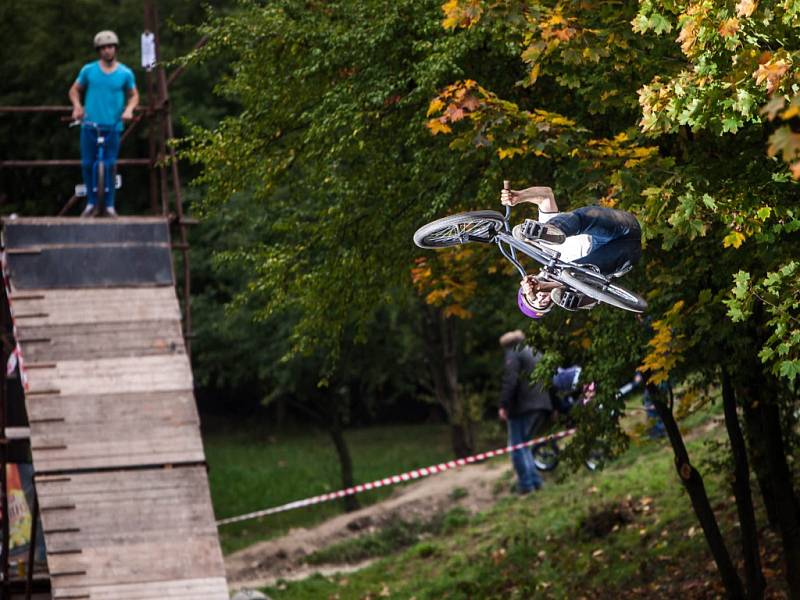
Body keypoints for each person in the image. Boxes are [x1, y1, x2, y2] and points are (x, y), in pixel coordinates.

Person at [501, 186, 642, 318]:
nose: (541, 297)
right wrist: (547, 286)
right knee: (577, 277)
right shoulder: (570, 288)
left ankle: (554, 228)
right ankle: (577, 292)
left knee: (581, 218)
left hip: (616, 227)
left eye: (535, 297)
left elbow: (546, 195)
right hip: (624, 254)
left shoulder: (544, 248)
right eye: (543, 303)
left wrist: (520, 196)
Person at [68, 30, 139, 218]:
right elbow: (74, 90)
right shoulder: (88, 70)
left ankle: (109, 205)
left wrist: (129, 110)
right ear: (98, 51)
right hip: (90, 125)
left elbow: (134, 95)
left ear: (116, 49)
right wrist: (77, 107)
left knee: (110, 165)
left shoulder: (125, 73)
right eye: (103, 48)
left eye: (110, 47)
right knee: (87, 164)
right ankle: (91, 202)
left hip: (113, 125)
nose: (107, 51)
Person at [498, 330, 553, 494]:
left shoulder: (513, 353)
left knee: (517, 448)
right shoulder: (534, 352)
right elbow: (549, 377)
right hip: (543, 404)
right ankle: (536, 482)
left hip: (523, 407)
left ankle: (526, 486)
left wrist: (504, 405)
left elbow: (511, 380)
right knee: (525, 446)